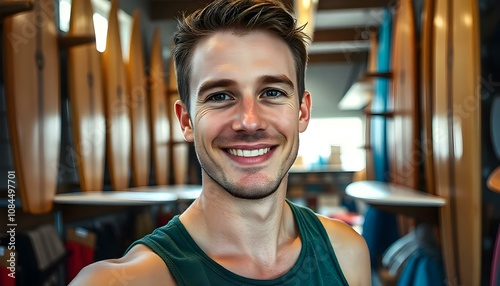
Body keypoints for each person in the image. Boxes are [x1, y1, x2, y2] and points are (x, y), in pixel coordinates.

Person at [70, 0, 370, 285]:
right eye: (220, 96)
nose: (250, 122)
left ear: (302, 112)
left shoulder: (347, 253)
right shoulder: (121, 281)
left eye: (273, 93)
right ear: (186, 120)